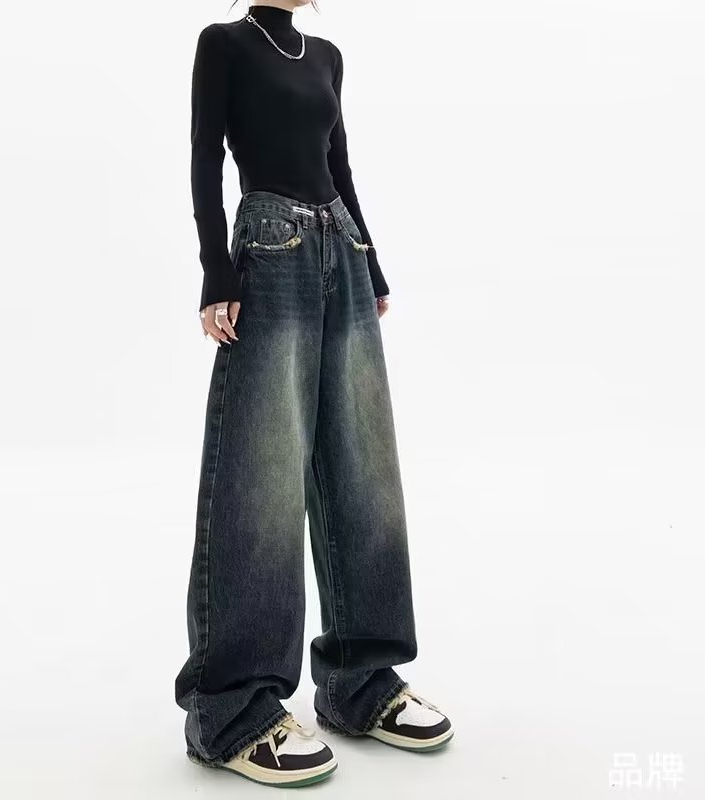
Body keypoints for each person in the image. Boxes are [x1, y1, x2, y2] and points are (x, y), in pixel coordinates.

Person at [175, 1, 453, 787]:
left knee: (363, 467)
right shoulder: (224, 43)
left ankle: (362, 683)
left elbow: (341, 166)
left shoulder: (327, 54)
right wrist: (217, 272)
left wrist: (373, 263)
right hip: (269, 246)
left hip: (342, 245)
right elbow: (204, 156)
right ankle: (233, 710)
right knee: (263, 472)